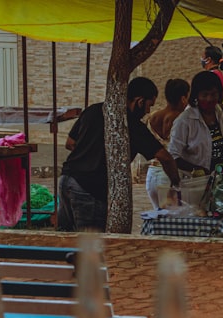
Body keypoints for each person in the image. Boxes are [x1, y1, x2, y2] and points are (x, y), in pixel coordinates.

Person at [58, 77, 181, 232]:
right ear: (139, 101)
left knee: (66, 239)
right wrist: (176, 184)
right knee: (89, 245)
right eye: (149, 105)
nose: (148, 111)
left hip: (66, 179)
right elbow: (165, 157)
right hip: (89, 187)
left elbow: (70, 143)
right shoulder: (131, 124)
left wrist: (89, 152)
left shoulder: (94, 109)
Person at [169, 70, 223, 176]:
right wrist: (197, 169)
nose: (209, 99)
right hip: (196, 183)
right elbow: (173, 155)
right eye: (204, 95)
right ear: (196, 96)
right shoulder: (184, 121)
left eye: (213, 94)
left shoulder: (222, 113)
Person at [145, 78, 189, 209]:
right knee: (172, 219)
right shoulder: (181, 119)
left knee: (159, 215)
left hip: (151, 175)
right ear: (183, 98)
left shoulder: (153, 117)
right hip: (170, 174)